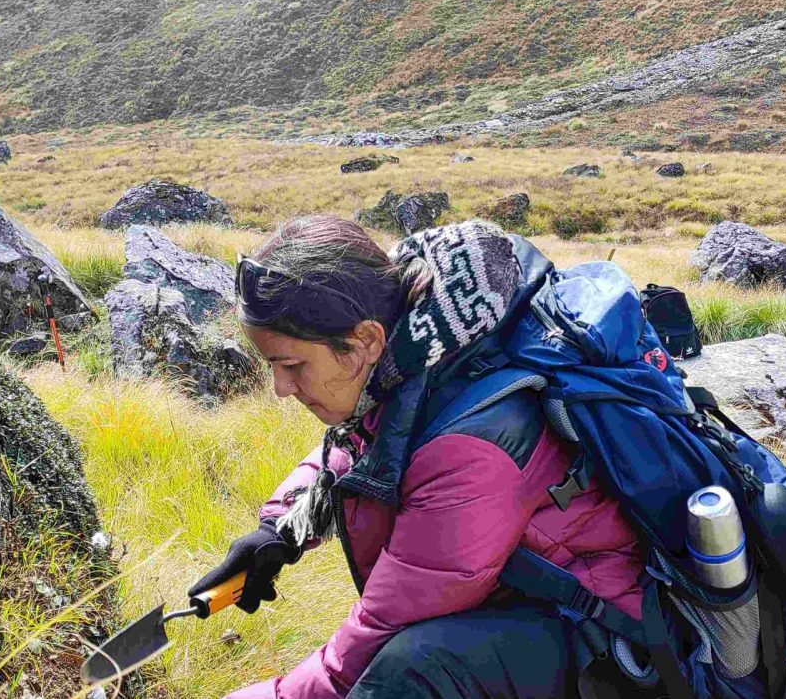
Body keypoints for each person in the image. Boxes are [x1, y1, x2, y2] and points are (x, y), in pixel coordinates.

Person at [190, 215, 647, 699]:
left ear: (364, 342)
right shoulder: (417, 352)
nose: (281, 389)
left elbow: (374, 639)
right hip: (525, 611)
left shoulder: (472, 448)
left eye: (292, 365)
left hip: (606, 645)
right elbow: (363, 447)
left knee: (406, 675)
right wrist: (279, 530)